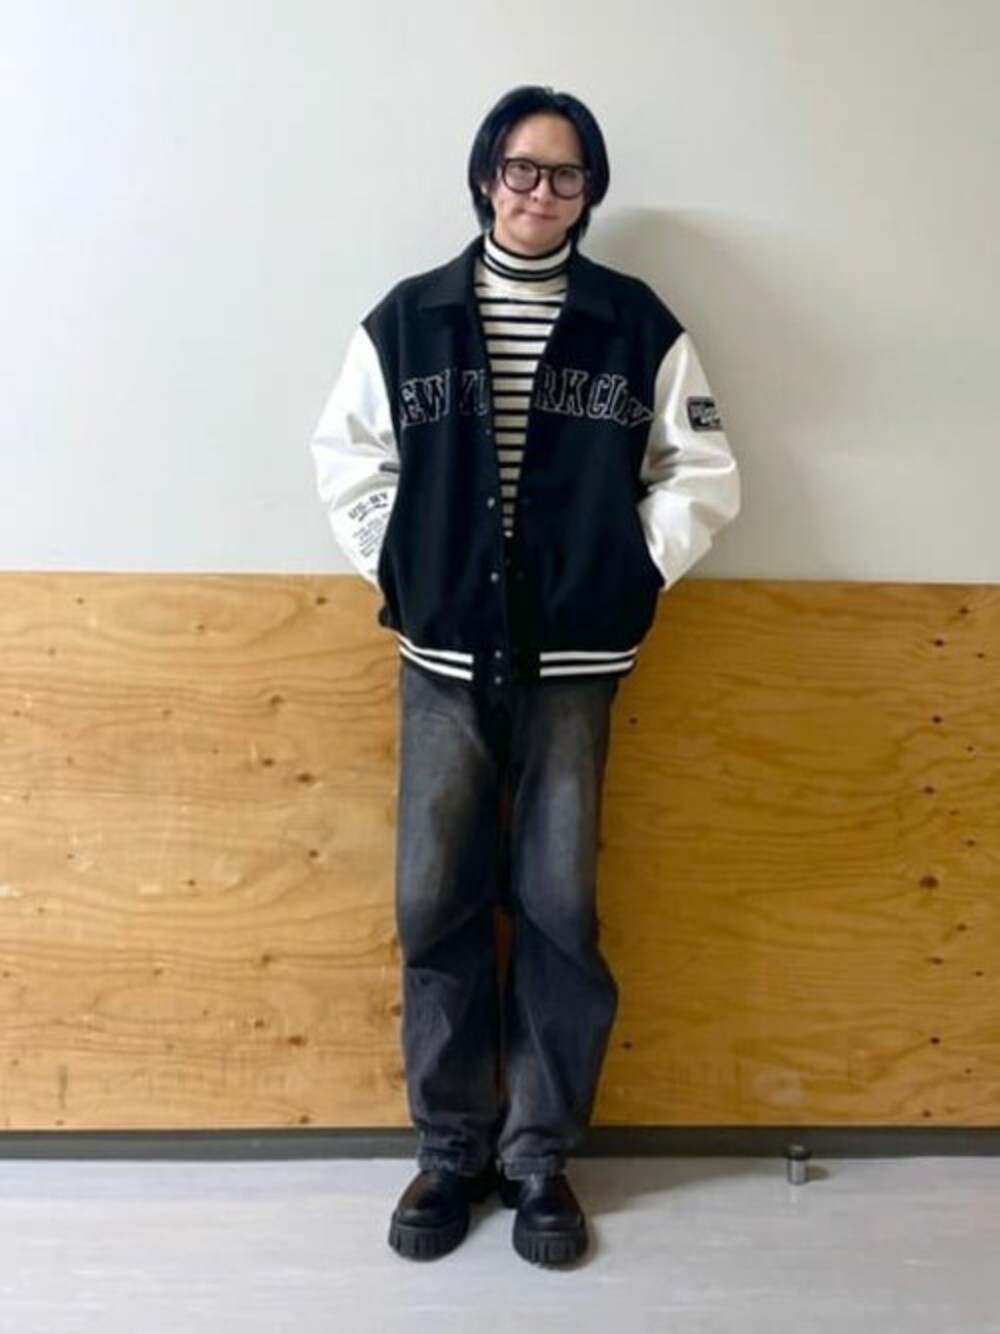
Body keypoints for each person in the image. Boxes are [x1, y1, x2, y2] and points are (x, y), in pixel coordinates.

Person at [310, 84, 740, 1268]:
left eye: (564, 173)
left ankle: (540, 1154)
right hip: (442, 658)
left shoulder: (632, 324)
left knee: (557, 906)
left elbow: (701, 471)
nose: (539, 191)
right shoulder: (409, 320)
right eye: (520, 167)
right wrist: (410, 568)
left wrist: (624, 570)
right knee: (432, 901)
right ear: (484, 177)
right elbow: (347, 459)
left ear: (589, 191)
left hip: (572, 665)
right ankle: (450, 1147)